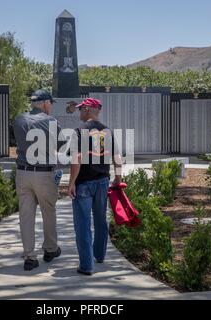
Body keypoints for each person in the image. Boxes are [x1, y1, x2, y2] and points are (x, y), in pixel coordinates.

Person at [68, 98, 123, 275]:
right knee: (100, 220)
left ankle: (86, 265)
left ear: (87, 109)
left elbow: (76, 160)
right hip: (102, 182)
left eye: (80, 110)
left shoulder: (79, 131)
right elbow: (117, 156)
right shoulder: (107, 131)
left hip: (83, 183)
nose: (79, 113)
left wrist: (71, 183)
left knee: (83, 224)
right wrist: (118, 177)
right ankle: (99, 255)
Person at [13, 89, 64, 271]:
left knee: (26, 215)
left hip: (23, 172)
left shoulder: (19, 119)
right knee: (48, 212)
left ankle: (29, 256)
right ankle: (50, 249)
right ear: (44, 102)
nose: (51, 107)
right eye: (50, 103)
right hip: (44, 174)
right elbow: (60, 144)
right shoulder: (51, 121)